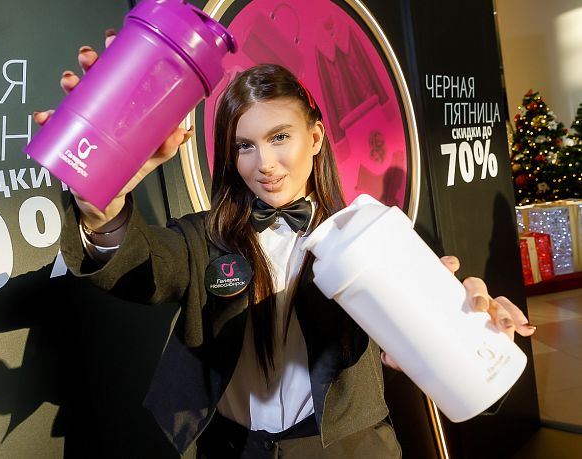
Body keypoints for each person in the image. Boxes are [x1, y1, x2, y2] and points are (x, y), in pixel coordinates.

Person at [36, 36, 536, 459]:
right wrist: (99, 197)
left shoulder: (373, 242)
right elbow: (137, 264)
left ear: (315, 138)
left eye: (280, 137)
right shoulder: (202, 239)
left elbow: (449, 358)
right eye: (245, 146)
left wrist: (473, 328)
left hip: (347, 449)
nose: (265, 164)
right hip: (232, 448)